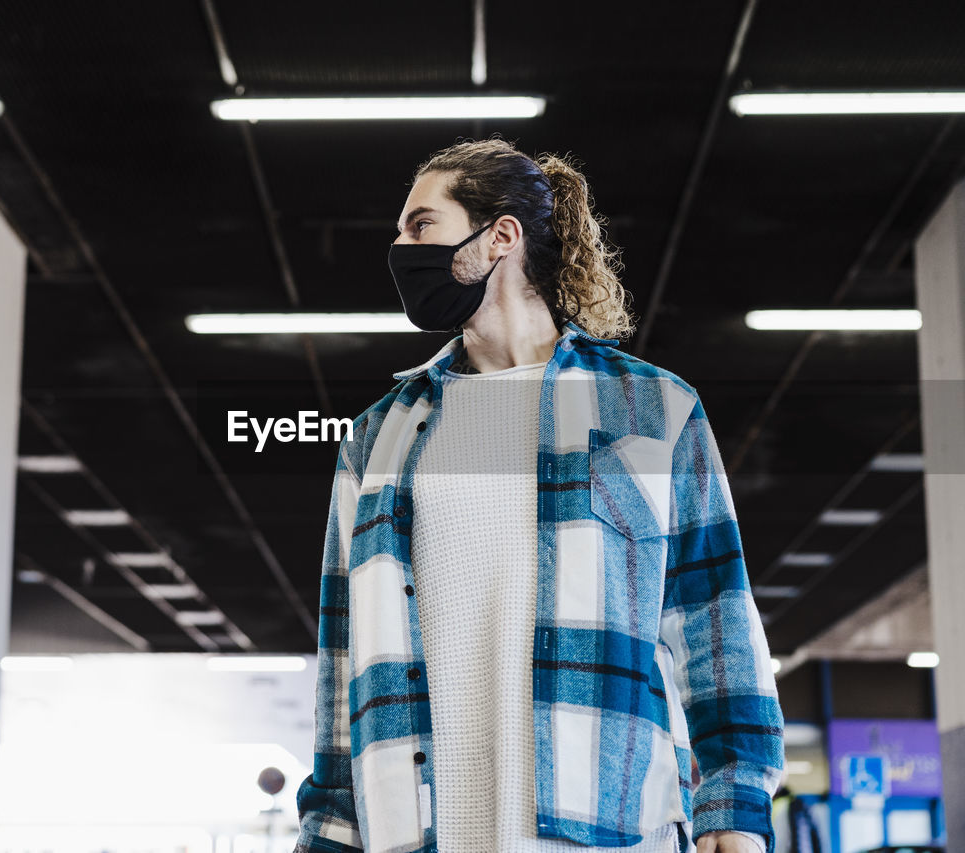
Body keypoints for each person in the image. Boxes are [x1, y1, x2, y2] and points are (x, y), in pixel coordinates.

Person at [294, 138, 785, 853]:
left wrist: (734, 807)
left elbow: (716, 622)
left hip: (607, 830)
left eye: (420, 224)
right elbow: (342, 664)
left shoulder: (652, 409)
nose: (398, 247)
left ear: (499, 237)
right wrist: (327, 830)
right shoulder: (376, 440)